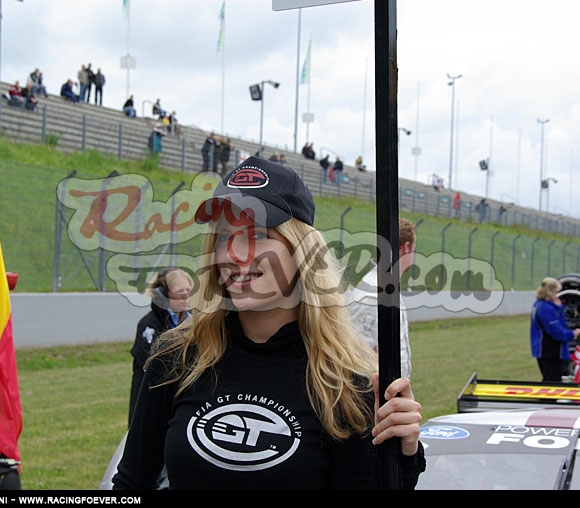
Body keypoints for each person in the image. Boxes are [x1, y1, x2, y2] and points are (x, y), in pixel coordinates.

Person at [112, 156, 425, 490]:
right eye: (223, 236)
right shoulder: (176, 357)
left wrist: (402, 455)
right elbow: (131, 483)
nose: (235, 253)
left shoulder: (346, 381)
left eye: (258, 234)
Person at [347, 218, 417, 379]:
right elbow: (359, 361)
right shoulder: (373, 294)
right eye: (413, 249)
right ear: (406, 248)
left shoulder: (384, 286)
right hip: (379, 398)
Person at [129, 267, 192, 426]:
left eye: (188, 289)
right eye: (179, 291)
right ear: (163, 295)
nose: (186, 295)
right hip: (151, 401)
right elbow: (156, 366)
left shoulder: (193, 322)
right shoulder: (149, 325)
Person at [530, 277, 580, 382]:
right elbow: (557, 332)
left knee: (551, 379)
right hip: (549, 350)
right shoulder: (546, 309)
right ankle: (546, 399)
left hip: (546, 349)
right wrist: (572, 333)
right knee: (552, 381)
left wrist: (560, 307)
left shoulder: (540, 305)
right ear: (552, 291)